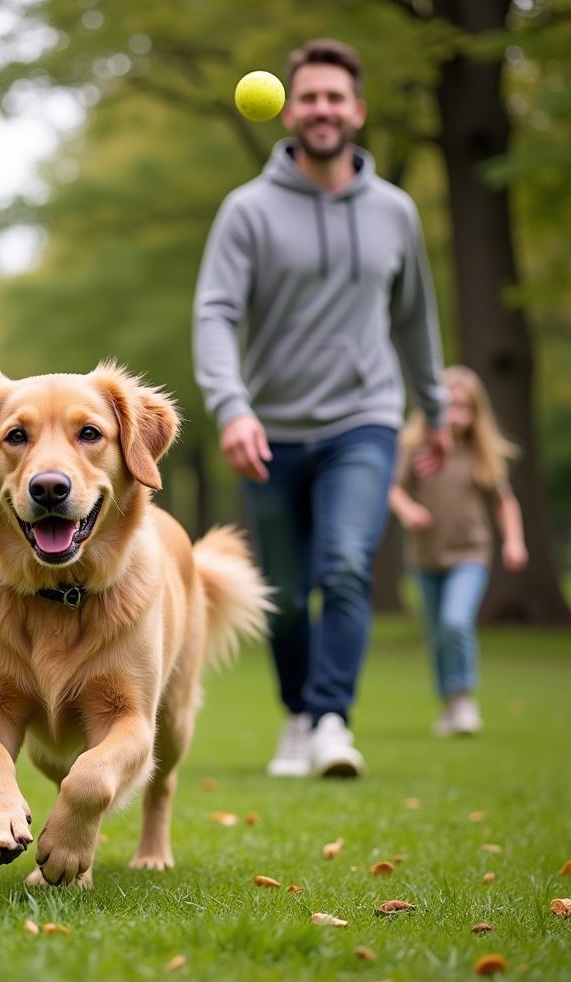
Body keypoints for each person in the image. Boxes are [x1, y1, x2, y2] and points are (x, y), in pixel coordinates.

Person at [192, 39, 449, 778]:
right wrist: (233, 407)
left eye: (336, 97)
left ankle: (334, 718)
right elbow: (215, 314)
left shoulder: (396, 212)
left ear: (357, 111)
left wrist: (433, 409)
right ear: (290, 110)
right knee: (281, 589)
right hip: (268, 430)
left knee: (343, 566)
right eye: (310, 97)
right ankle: (299, 716)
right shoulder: (247, 211)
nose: (323, 109)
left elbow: (414, 319)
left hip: (364, 420)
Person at [389, 366, 527, 736]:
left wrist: (514, 541)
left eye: (465, 408)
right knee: (437, 634)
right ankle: (448, 704)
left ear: (477, 413)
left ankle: (464, 697)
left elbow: (504, 502)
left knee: (456, 622)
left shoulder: (479, 453)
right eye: (450, 406)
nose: (457, 416)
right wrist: (408, 511)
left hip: (470, 554)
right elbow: (393, 489)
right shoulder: (415, 447)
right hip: (425, 557)